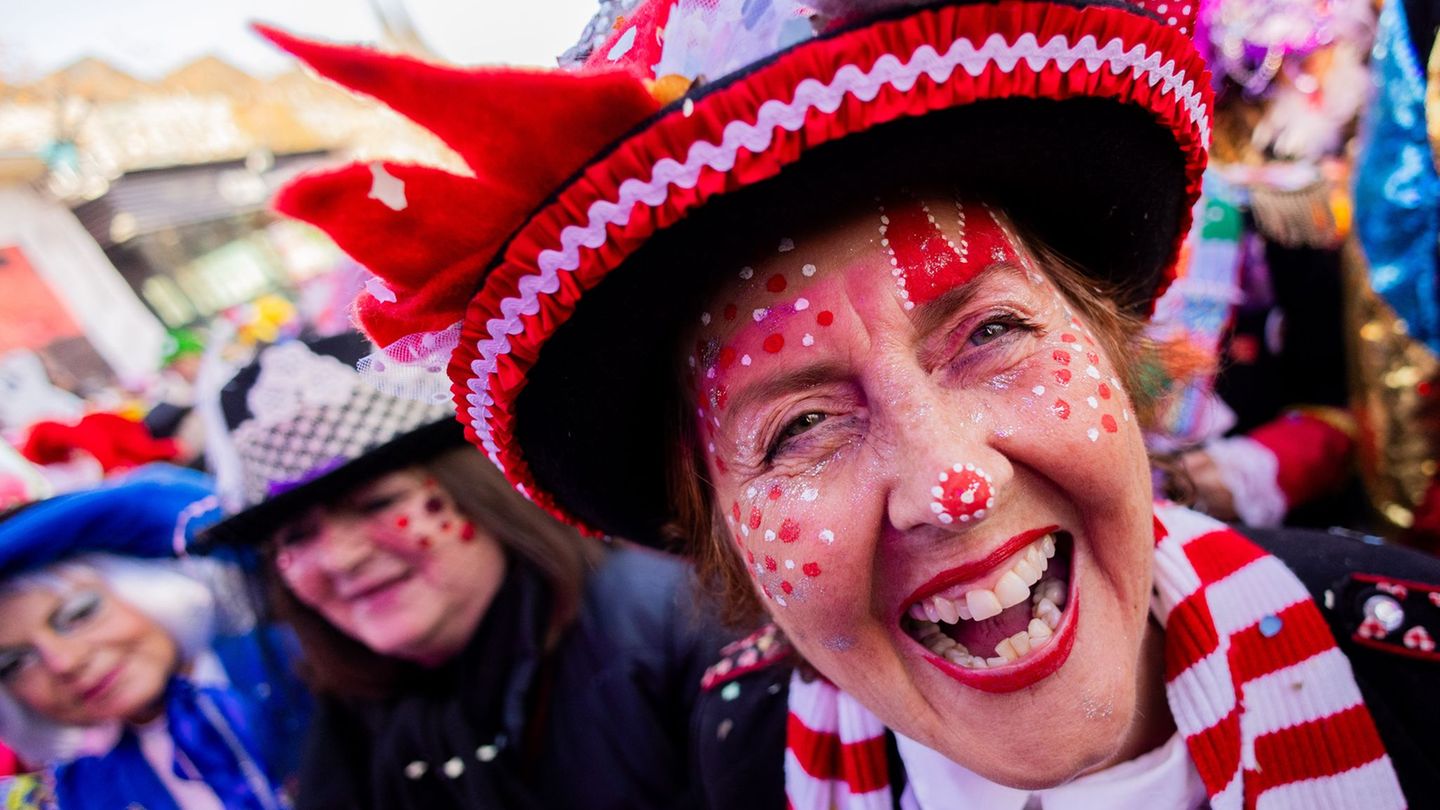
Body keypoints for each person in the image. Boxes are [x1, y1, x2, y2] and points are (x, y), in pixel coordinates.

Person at [259, 1, 1440, 807]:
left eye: (992, 335)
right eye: (798, 426)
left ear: (1106, 342)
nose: (950, 485)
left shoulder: (1417, 670)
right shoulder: (734, 751)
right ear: (713, 519)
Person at [202, 332, 727, 809]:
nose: (341, 558)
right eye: (296, 537)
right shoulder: (346, 724)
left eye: (376, 503)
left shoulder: (680, 628)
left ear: (479, 496)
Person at [0, 464, 304, 809]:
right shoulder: (76, 791)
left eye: (78, 614)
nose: (64, 663)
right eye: (14, 663)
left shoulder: (302, 666)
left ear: (145, 589)